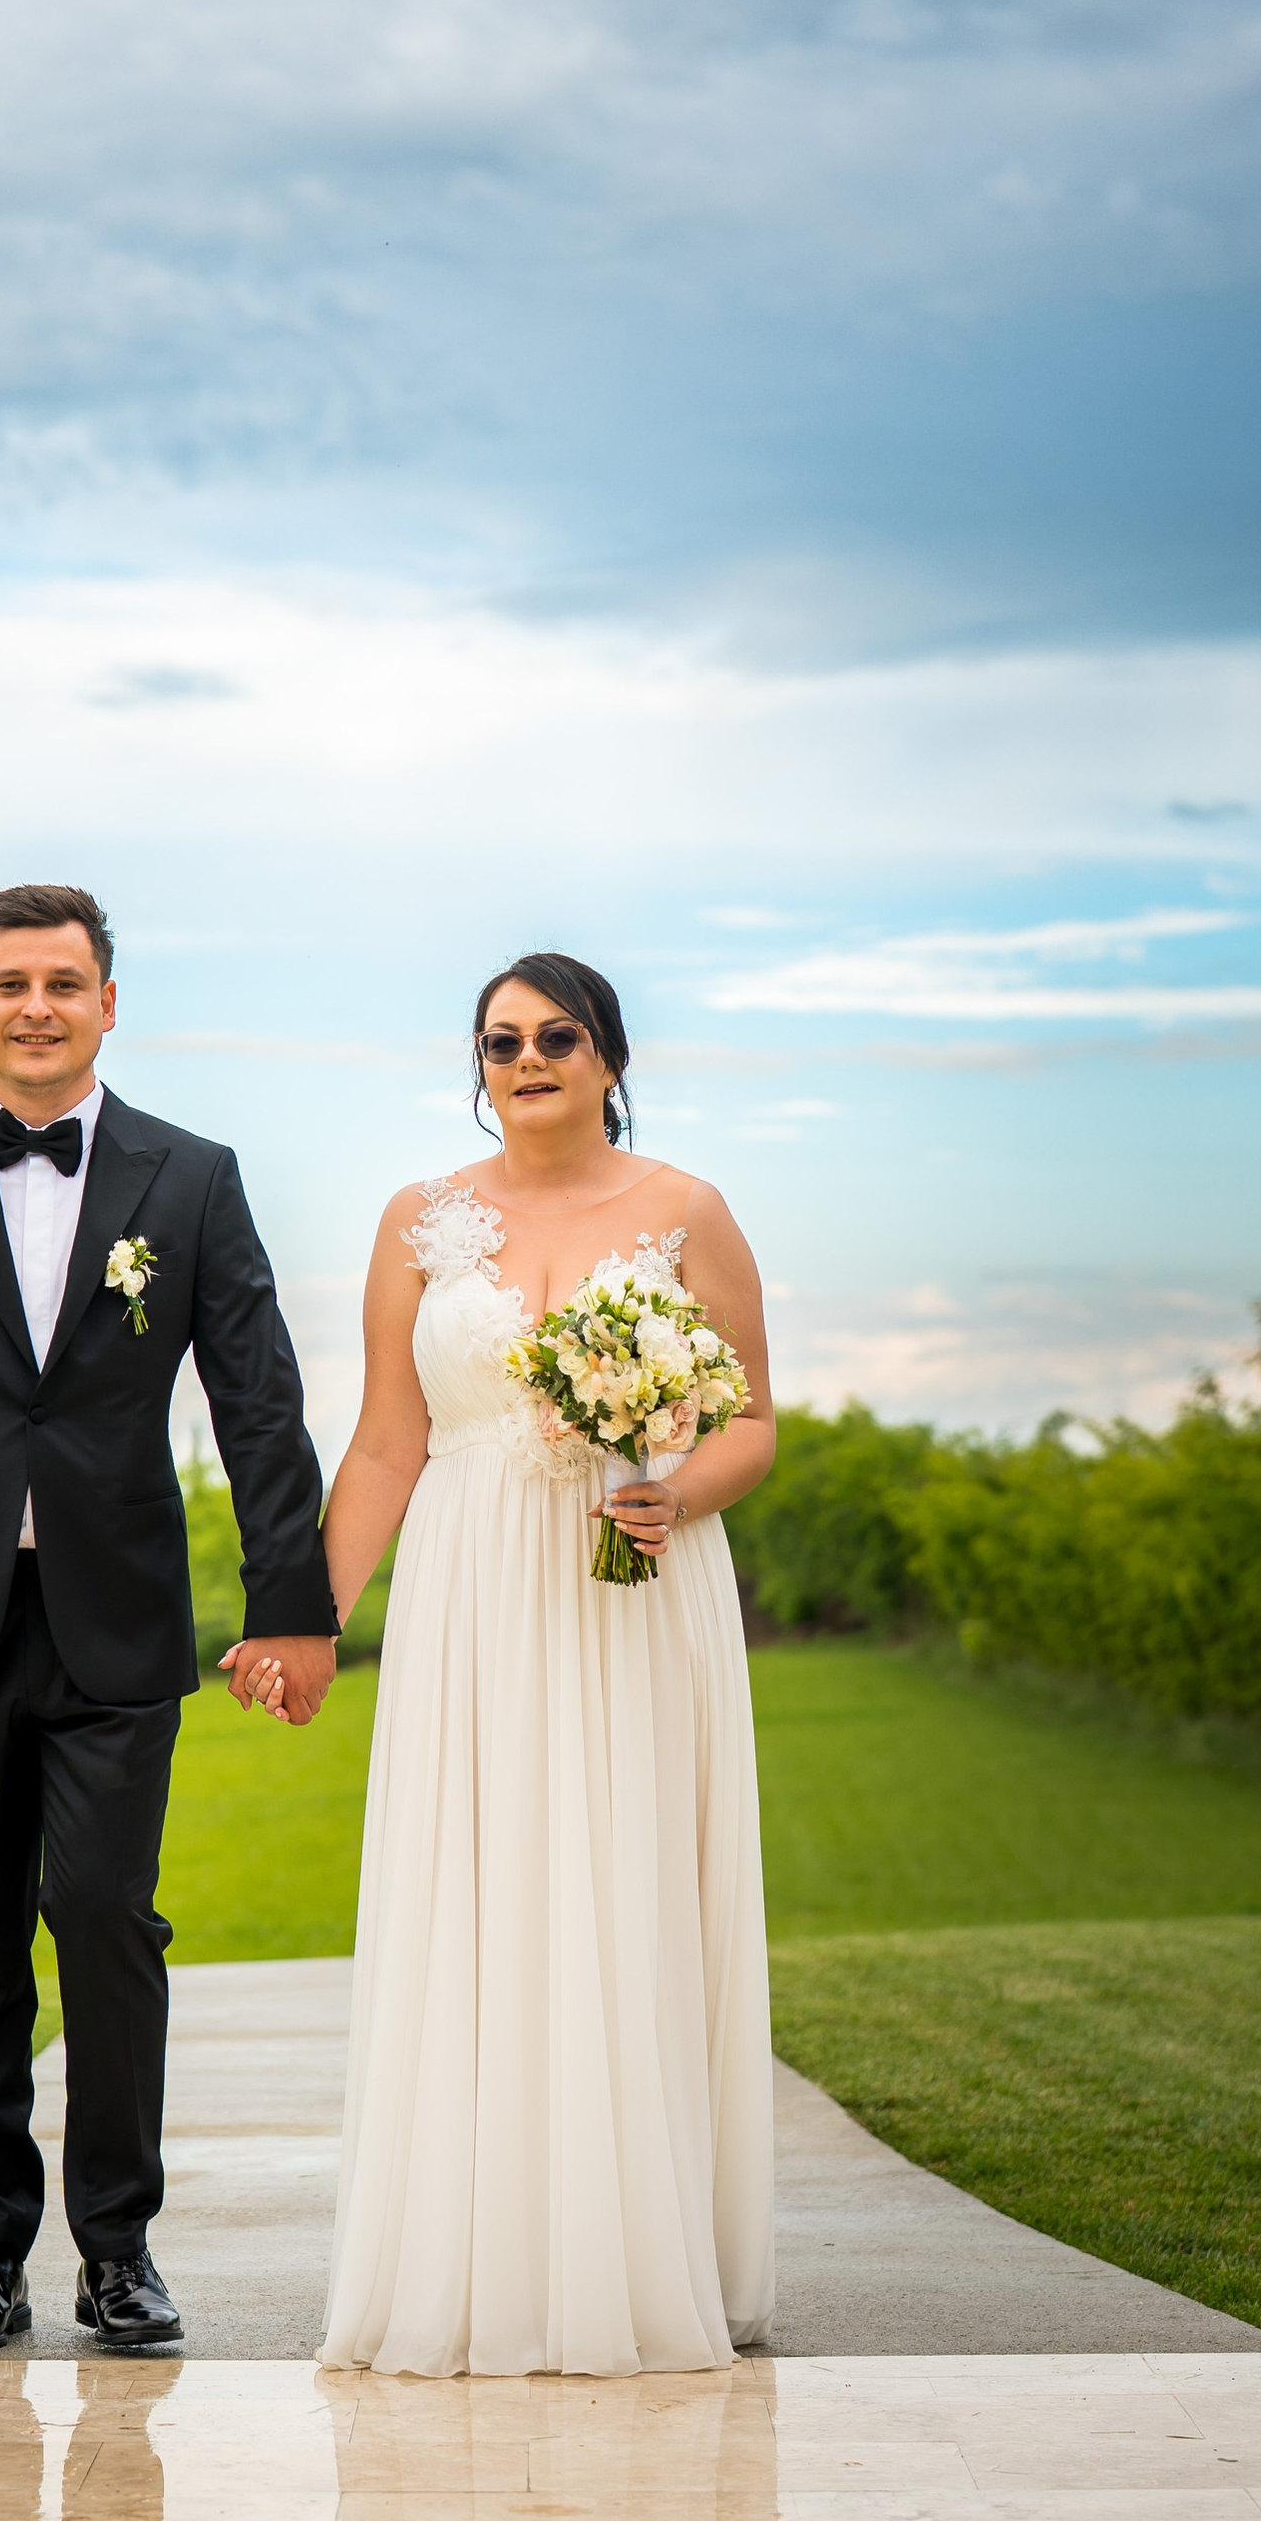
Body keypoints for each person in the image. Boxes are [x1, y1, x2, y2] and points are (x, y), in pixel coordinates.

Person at [0, 883, 336, 2354]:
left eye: (65, 981)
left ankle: (119, 2252)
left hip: (119, 1608)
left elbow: (261, 1400)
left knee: (105, 1922)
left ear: (107, 1004)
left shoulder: (193, 1177)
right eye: (10, 981)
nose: (38, 1004)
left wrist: (298, 1605)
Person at [306, 950, 777, 2375]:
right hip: (470, 1592)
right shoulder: (419, 1222)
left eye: (558, 1035)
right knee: (482, 1891)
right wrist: (310, 1618)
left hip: (635, 1586)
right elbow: (390, 1439)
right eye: (501, 1039)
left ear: (612, 1057)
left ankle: (633, 2257)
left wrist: (679, 1489)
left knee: (624, 1885)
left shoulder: (687, 1213)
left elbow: (753, 1419)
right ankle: (476, 2254)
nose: (528, 1059)